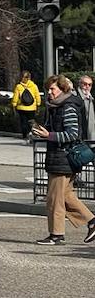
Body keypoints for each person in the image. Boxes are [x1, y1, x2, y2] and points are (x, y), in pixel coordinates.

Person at [31, 74, 95, 245]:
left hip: (64, 158)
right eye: (48, 89)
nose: (49, 92)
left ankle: (56, 234)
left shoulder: (67, 106)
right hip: (60, 158)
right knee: (66, 195)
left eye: (52, 89)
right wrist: (43, 131)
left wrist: (48, 135)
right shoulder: (57, 106)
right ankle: (92, 222)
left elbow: (73, 133)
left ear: (62, 89)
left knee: (54, 198)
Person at [12, 71, 41, 139]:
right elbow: (37, 96)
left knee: (23, 122)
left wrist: (14, 105)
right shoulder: (34, 86)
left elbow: (15, 97)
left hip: (21, 107)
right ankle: (32, 133)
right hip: (32, 108)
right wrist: (38, 104)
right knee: (31, 121)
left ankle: (25, 135)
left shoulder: (18, 86)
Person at [79, 76, 95, 142]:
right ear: (80, 84)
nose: (87, 86)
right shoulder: (76, 97)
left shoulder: (92, 99)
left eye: (89, 85)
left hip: (90, 134)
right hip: (80, 134)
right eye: (85, 84)